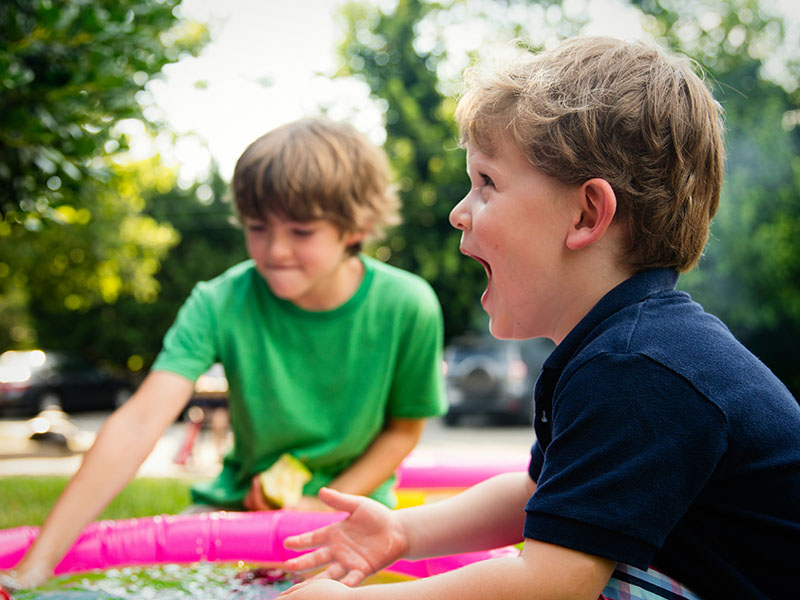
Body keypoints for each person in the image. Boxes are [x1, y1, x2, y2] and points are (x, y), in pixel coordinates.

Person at [276, 37, 800, 600]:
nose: (458, 212)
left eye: (486, 183)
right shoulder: (618, 348)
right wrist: (403, 531)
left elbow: (551, 585)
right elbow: (537, 493)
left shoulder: (640, 368)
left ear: (586, 213)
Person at [4, 117, 448, 589]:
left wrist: (321, 502)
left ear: (355, 226)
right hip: (236, 506)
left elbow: (403, 430)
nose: (275, 250)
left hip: (352, 514)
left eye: (301, 231)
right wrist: (37, 564)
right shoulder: (218, 301)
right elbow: (138, 423)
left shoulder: (408, 305)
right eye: (258, 228)